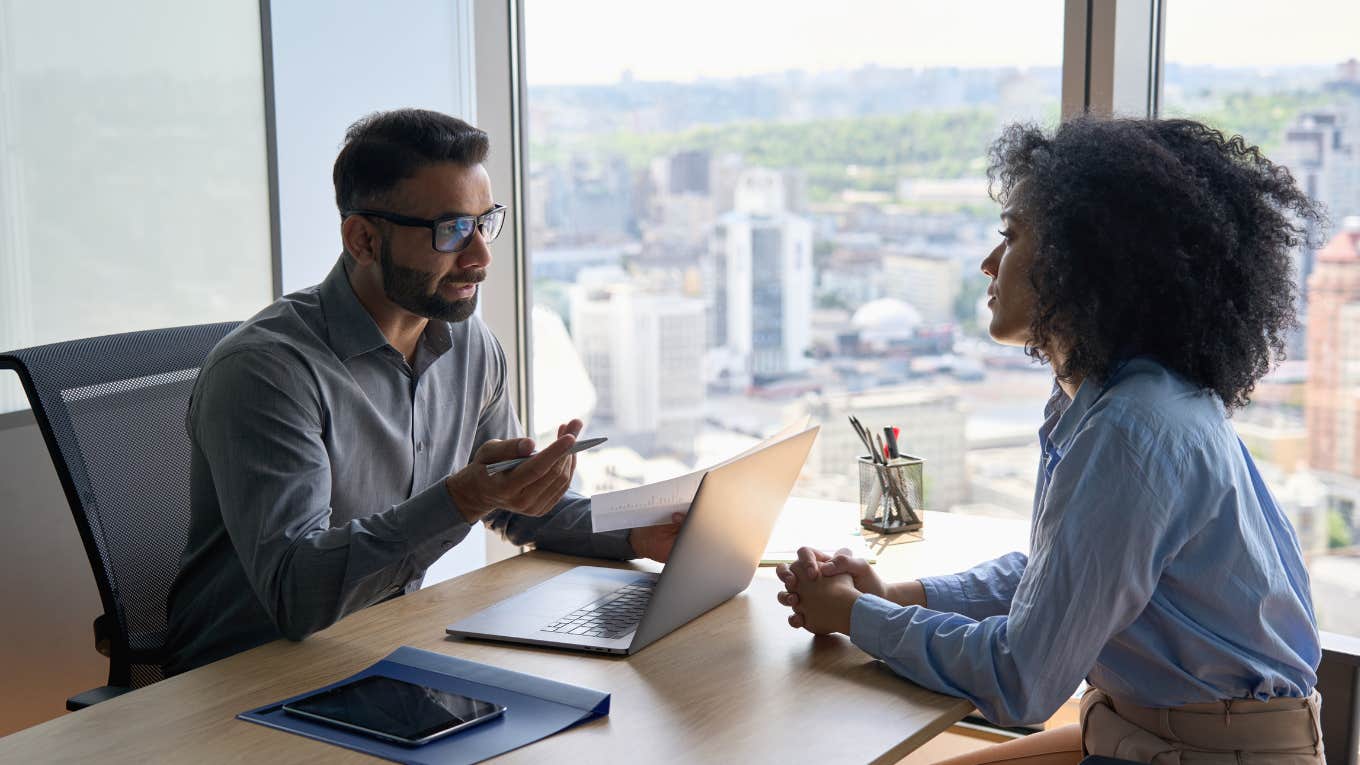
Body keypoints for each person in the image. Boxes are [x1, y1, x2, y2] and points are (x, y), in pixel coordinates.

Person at [776, 117, 1326, 763]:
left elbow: (1022, 679)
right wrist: (894, 596)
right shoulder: (1120, 397)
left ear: (1085, 260)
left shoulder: (1129, 429)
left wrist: (853, 616)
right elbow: (1058, 578)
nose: (987, 263)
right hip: (1147, 734)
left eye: (1009, 237)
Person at [164, 108, 682, 675]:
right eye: (452, 230)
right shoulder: (266, 372)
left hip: (379, 648)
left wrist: (635, 531)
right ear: (363, 238)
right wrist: (463, 499)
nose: (480, 256)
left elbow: (516, 503)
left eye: (485, 223)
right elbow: (295, 596)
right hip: (240, 680)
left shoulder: (468, 343)